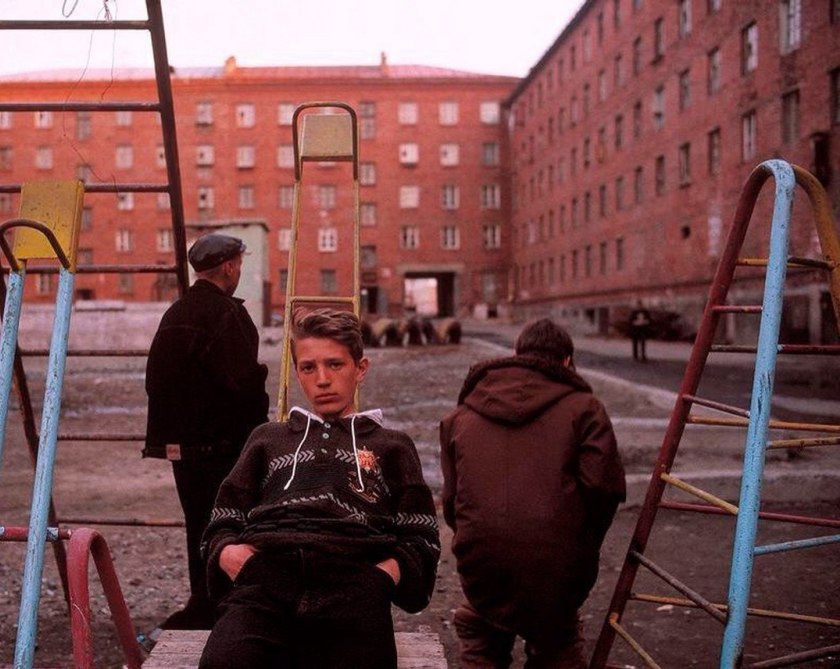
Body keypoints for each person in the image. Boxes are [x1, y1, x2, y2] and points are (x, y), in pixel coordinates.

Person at [198, 308, 440, 669]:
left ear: (360, 368)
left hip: (354, 583)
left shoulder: (392, 446)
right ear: (298, 373)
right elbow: (223, 517)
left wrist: (382, 577)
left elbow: (421, 536)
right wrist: (231, 555)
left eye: (335, 365)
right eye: (309, 368)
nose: (322, 380)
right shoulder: (267, 439)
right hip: (265, 580)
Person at [439, 318, 626, 668]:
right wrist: (578, 544)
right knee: (557, 639)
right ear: (567, 361)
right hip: (557, 564)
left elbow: (452, 500)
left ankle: (482, 639)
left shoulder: (460, 416)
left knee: (483, 637)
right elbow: (603, 490)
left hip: (482, 563)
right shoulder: (586, 409)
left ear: (516, 353)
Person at [144, 232, 270, 631]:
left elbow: (155, 381)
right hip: (223, 447)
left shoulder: (176, 312)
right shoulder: (228, 315)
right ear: (230, 267)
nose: (239, 271)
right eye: (239, 265)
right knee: (231, 525)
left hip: (181, 448)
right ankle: (222, 608)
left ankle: (202, 602)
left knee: (198, 523)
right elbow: (245, 386)